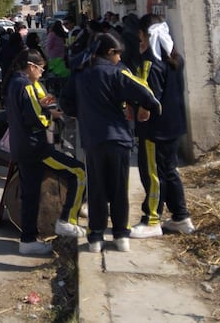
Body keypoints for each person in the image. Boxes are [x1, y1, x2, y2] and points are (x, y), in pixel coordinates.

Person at [60, 33, 161, 253]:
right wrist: (147, 107)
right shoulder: (118, 72)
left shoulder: (80, 73)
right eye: (118, 54)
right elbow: (146, 92)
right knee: (118, 189)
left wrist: (83, 113)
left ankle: (95, 237)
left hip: (92, 139)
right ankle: (120, 235)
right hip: (118, 139)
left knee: (96, 189)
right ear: (109, 52)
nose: (120, 58)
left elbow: (65, 102)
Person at [4, 49, 87, 255]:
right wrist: (53, 116)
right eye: (40, 69)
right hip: (36, 147)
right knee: (79, 172)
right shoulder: (25, 85)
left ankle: (28, 240)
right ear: (31, 67)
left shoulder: (19, 82)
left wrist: (55, 107)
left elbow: (45, 99)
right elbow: (36, 118)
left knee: (30, 194)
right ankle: (67, 220)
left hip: (22, 147)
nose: (42, 73)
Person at [130, 15, 195, 238]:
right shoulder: (175, 58)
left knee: (153, 173)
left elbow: (149, 97)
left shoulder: (150, 63)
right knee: (169, 171)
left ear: (143, 35)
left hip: (154, 129)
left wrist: (139, 108)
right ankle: (180, 217)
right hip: (174, 125)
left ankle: (152, 219)